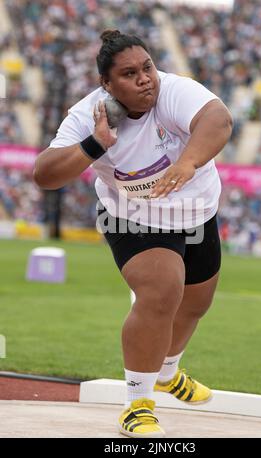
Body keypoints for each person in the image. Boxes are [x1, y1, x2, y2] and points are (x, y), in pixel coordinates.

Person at [34, 29, 233, 438]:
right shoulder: (88, 115)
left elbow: (218, 120)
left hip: (197, 212)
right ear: (106, 85)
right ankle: (137, 406)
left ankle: (167, 372)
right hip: (132, 219)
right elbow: (44, 174)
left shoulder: (175, 90)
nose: (145, 78)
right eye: (129, 73)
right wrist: (95, 145)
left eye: (147, 67)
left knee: (195, 304)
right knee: (162, 291)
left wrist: (187, 163)